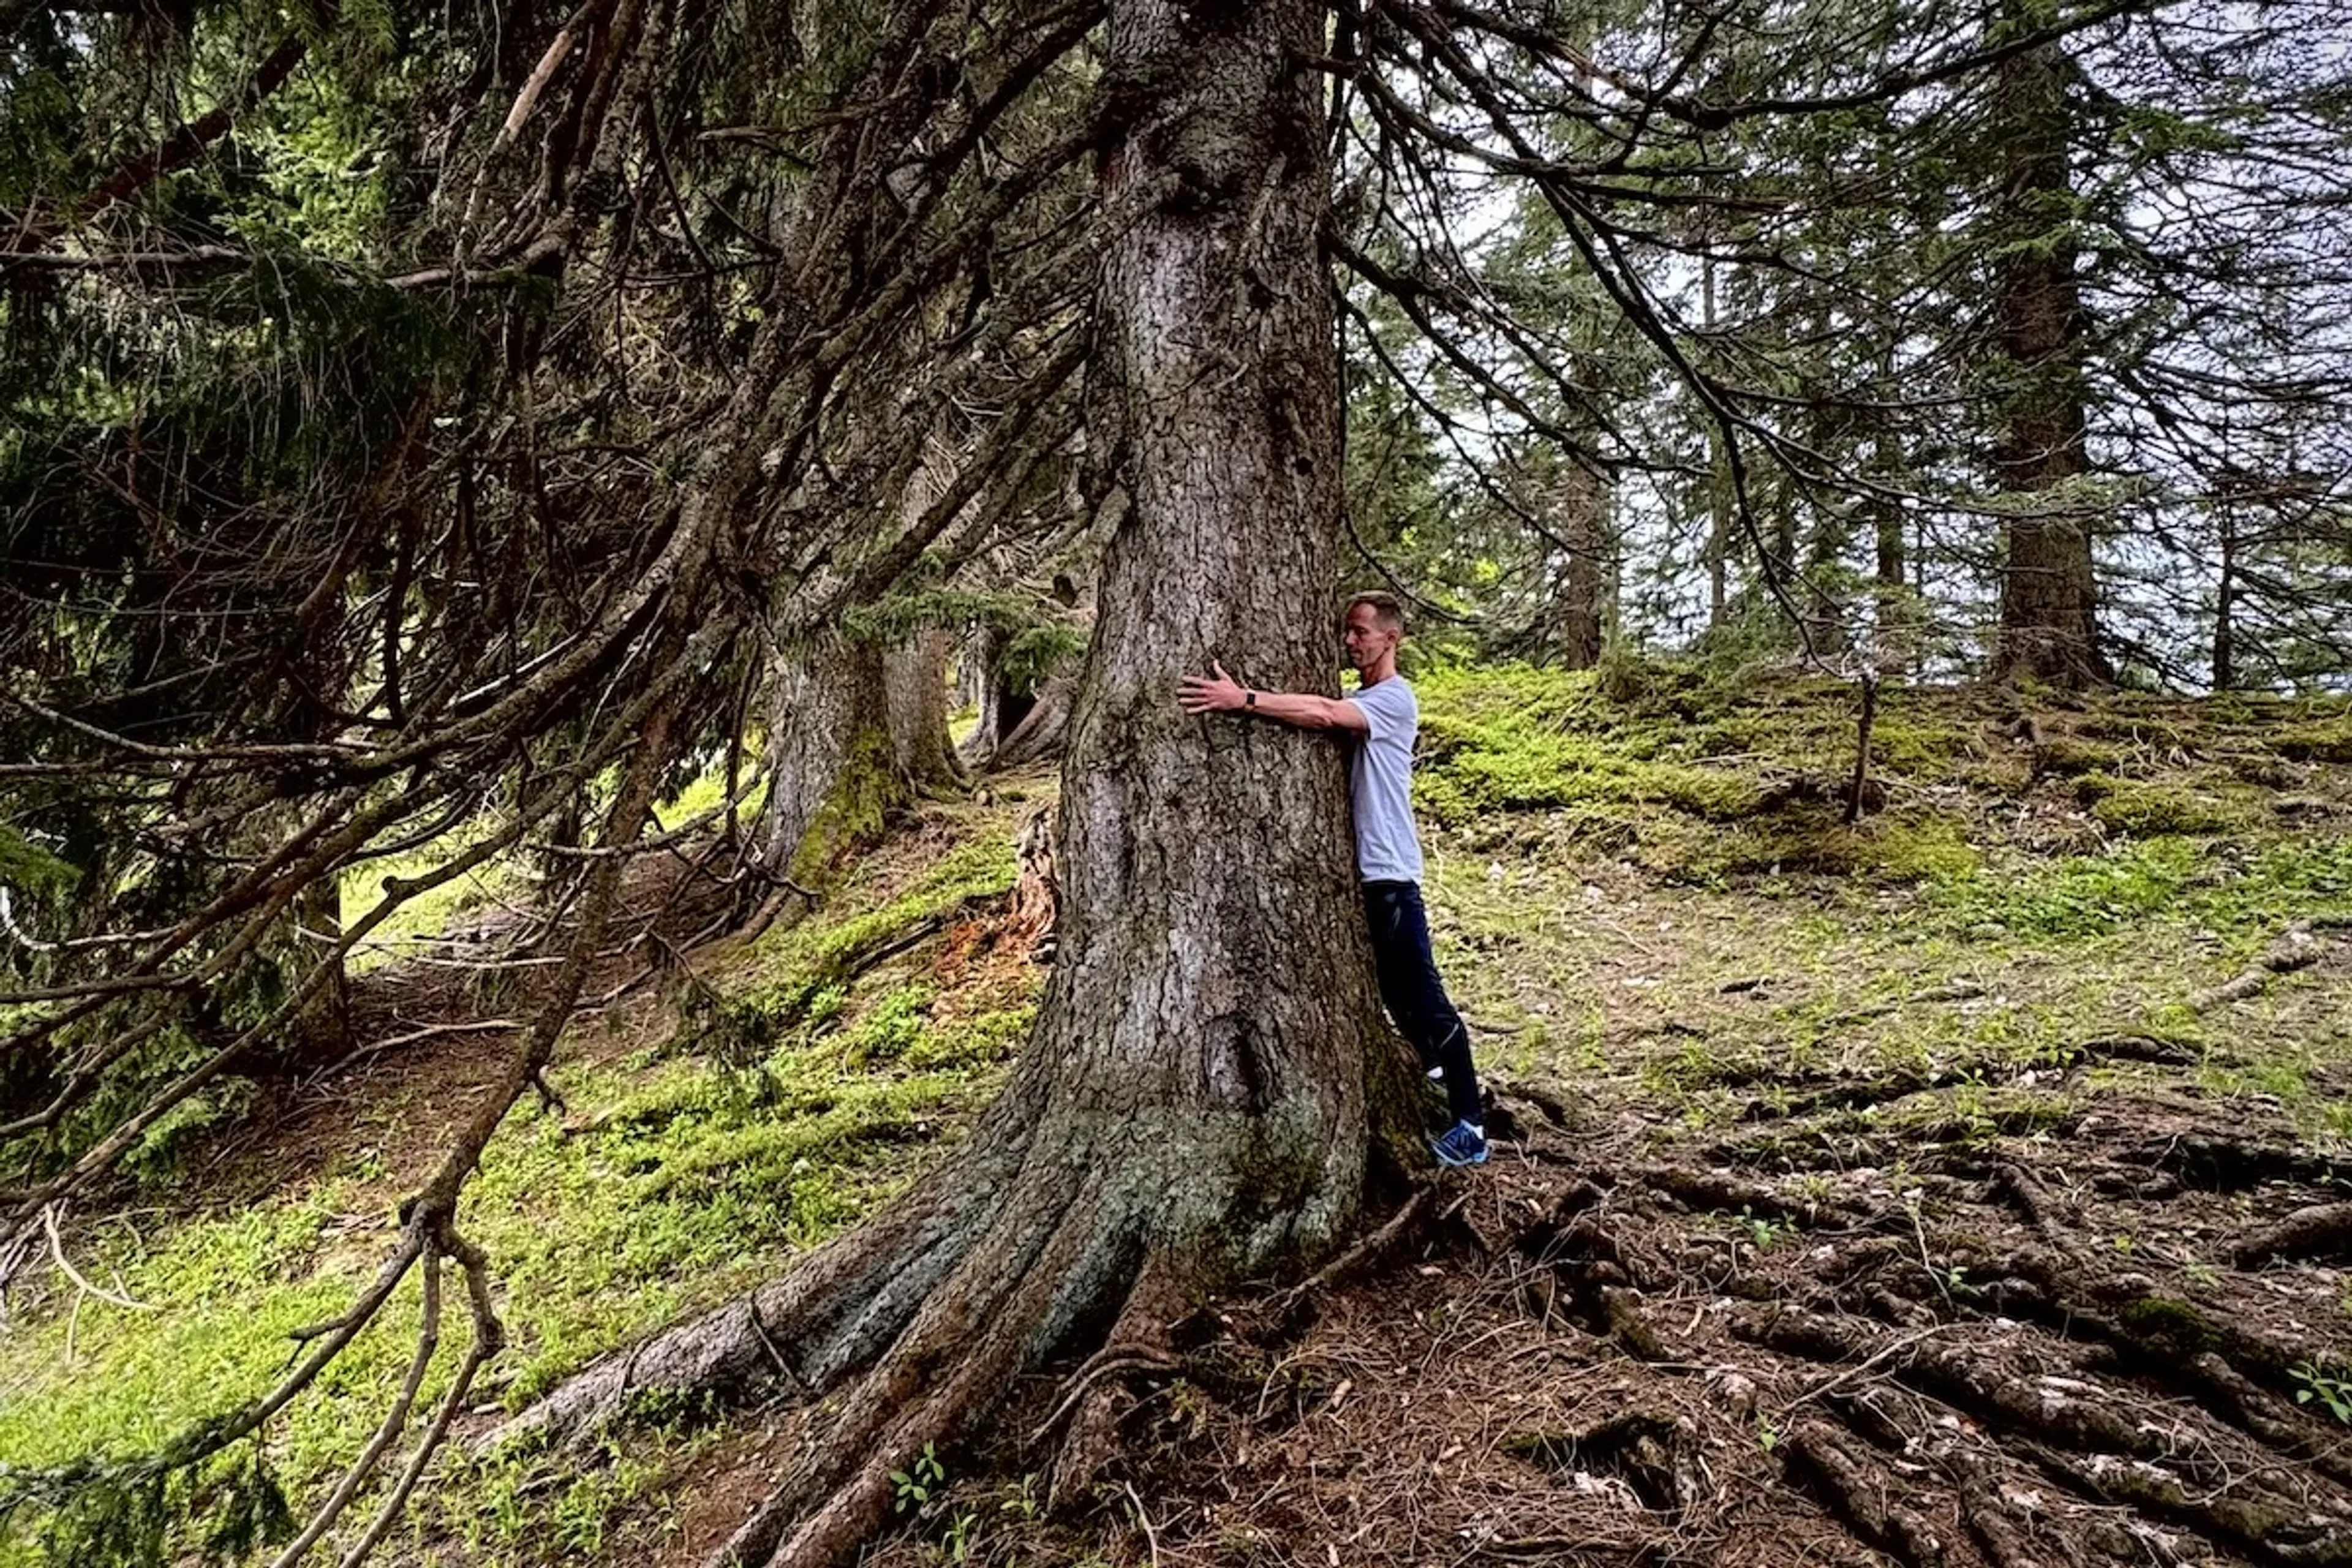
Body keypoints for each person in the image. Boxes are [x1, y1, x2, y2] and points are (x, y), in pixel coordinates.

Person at [1177, 592, 1488, 1167]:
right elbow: (1322, 707)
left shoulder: (1394, 699)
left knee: (1425, 999)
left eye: (1360, 632)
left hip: (1391, 874)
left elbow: (1320, 712)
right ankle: (1438, 1081)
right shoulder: (1368, 699)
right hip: (1371, 877)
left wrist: (1239, 698)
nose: (1350, 641)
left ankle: (1471, 1123)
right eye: (1347, 632)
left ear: (1390, 638)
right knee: (1394, 997)